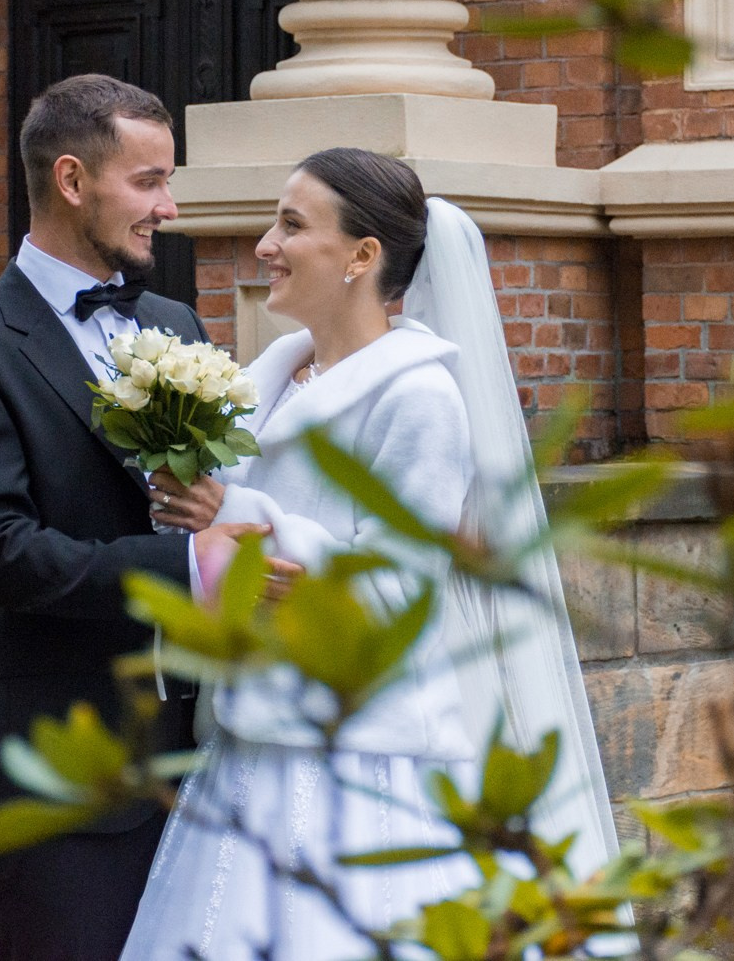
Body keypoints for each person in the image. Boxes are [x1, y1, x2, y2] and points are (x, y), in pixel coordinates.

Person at [122, 149, 620, 961]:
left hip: (356, 756)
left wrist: (237, 515)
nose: (263, 246)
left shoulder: (417, 395)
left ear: (363, 256)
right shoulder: (270, 381)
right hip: (251, 732)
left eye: (291, 225)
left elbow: (397, 593)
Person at [0, 74, 271, 961]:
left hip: (209, 761)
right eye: (148, 182)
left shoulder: (178, 321)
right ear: (72, 181)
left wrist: (222, 513)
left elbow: (213, 489)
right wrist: (186, 568)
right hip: (67, 776)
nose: (169, 208)